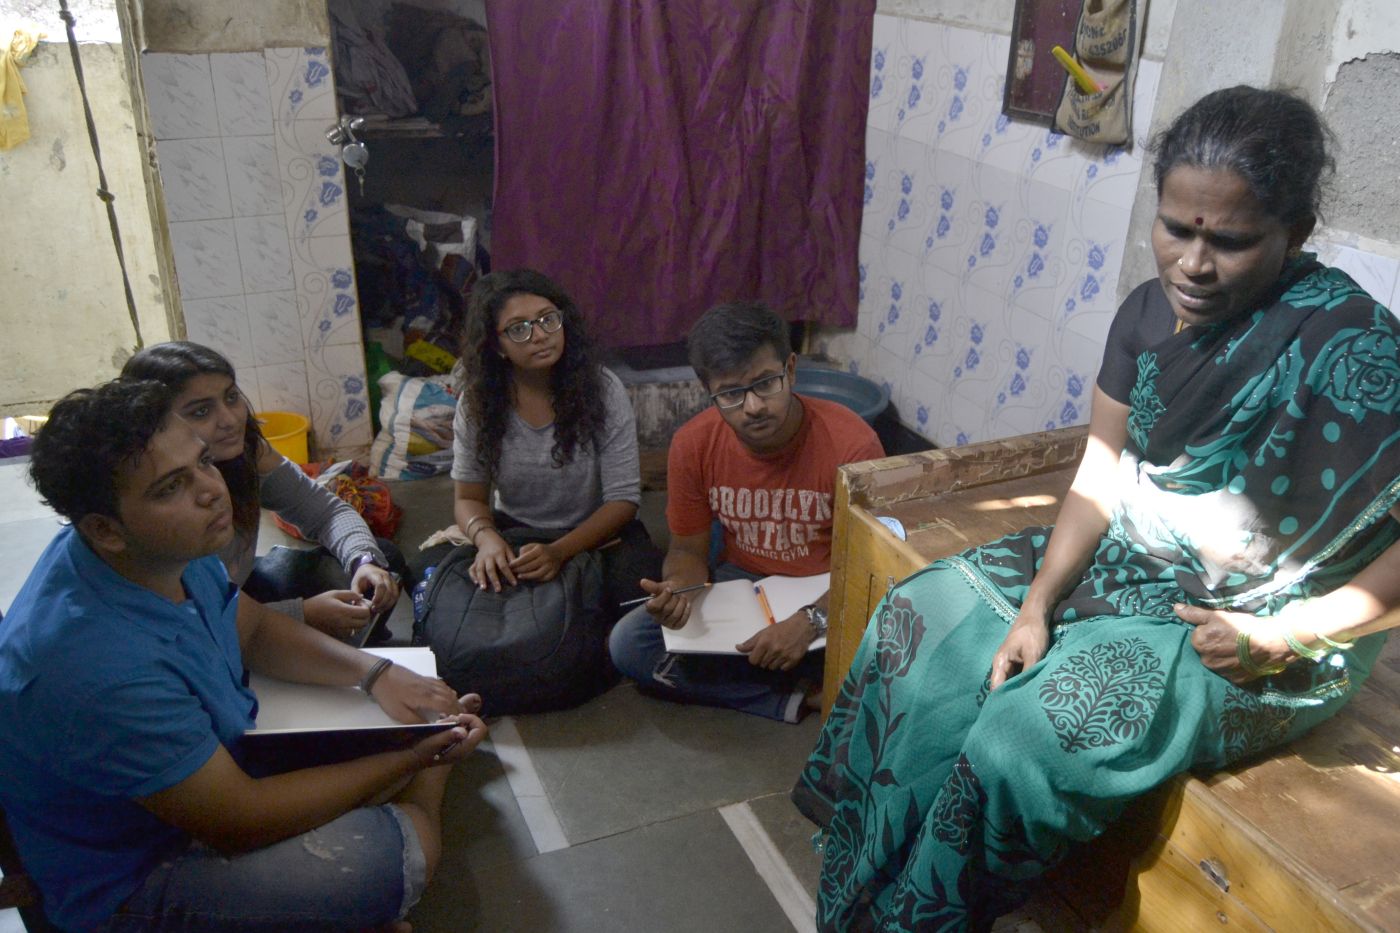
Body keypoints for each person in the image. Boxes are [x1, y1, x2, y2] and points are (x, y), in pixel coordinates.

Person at [792, 86, 1400, 931]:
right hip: (1134, 554)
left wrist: (1290, 632)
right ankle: (867, 875)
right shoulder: (1148, 317)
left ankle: (926, 914)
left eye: (1230, 241)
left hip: (1259, 628)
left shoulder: (1358, 349)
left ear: (1293, 236)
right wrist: (1038, 605)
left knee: (1024, 739)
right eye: (1177, 228)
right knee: (922, 621)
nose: (1192, 262)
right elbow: (1101, 471)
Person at [0, 379, 488, 932]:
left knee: (381, 727)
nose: (211, 491)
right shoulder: (91, 666)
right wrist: (419, 757)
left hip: (204, 781)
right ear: (104, 529)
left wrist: (377, 674)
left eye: (203, 463)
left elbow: (252, 628)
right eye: (170, 488)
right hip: (135, 875)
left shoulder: (165, 547)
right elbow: (238, 822)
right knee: (395, 851)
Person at [609, 301, 886, 721]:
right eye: (731, 394)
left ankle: (774, 673)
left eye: (766, 383)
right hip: (744, 589)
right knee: (629, 645)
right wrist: (679, 591)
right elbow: (687, 551)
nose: (754, 406)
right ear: (709, 393)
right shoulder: (692, 444)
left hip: (831, 590)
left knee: (895, 664)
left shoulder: (853, 444)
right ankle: (800, 696)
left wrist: (810, 621)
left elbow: (871, 567)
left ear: (791, 369)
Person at [123, 341, 405, 643]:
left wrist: (362, 561)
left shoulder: (247, 452)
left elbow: (326, 511)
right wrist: (302, 614)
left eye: (231, 397)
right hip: (199, 625)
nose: (230, 420)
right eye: (201, 411)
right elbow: (186, 623)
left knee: (379, 559)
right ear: (156, 423)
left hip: (240, 587)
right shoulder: (147, 500)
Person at [451, 268, 661, 611]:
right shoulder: (478, 403)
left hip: (597, 532)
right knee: (448, 587)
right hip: (515, 530)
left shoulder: (603, 389)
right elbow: (468, 498)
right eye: (518, 329)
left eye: (548, 319)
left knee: (639, 593)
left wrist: (560, 552)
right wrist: (486, 539)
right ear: (496, 345)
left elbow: (623, 500)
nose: (540, 335)